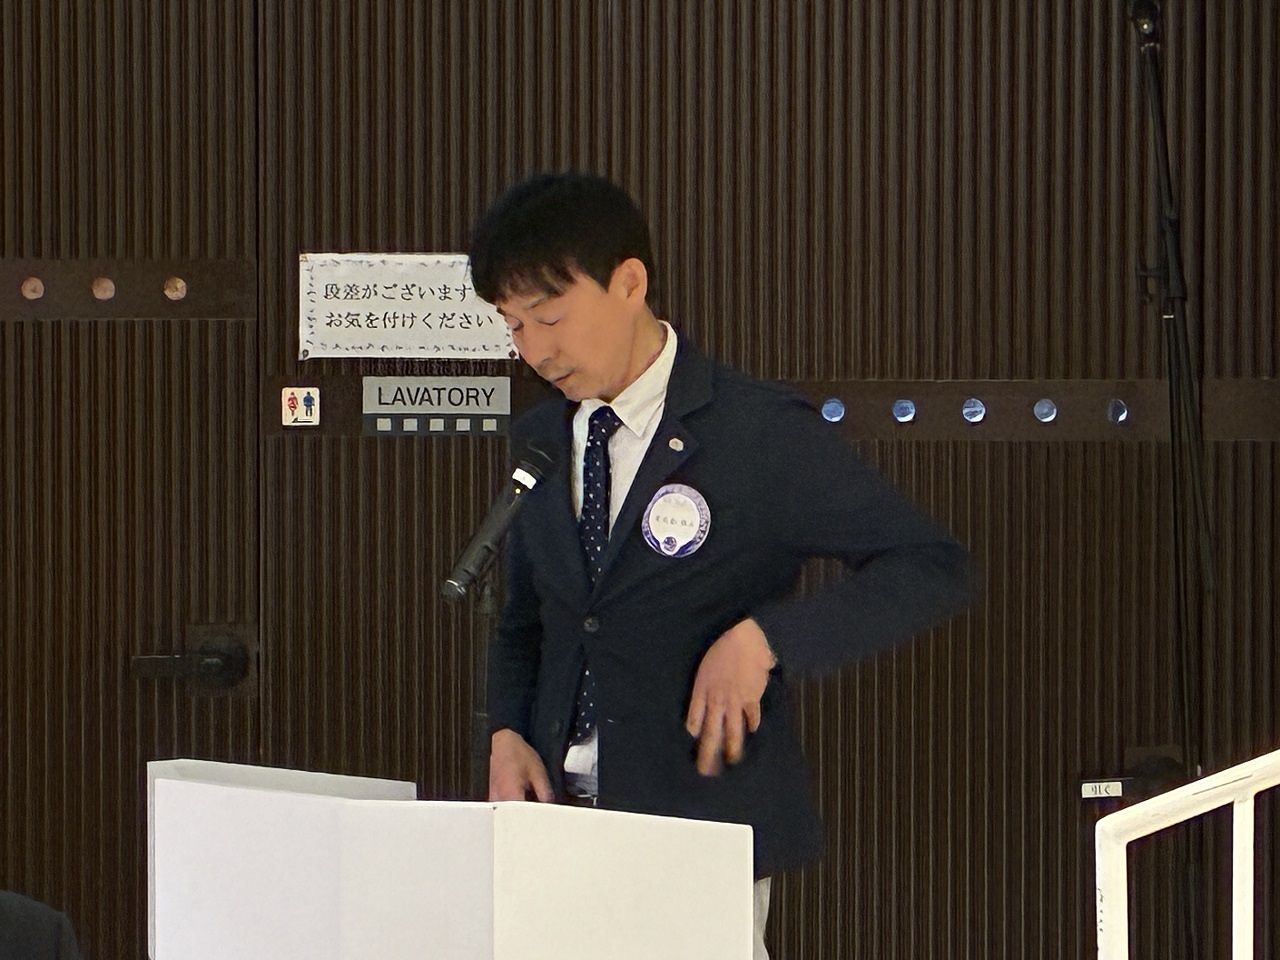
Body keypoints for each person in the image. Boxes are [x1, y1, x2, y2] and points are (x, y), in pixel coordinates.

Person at [469, 172, 974, 958]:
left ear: (628, 283)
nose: (535, 350)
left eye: (550, 317)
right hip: (555, 829)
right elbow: (527, 621)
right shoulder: (543, 437)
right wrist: (507, 730)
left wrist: (768, 640)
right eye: (513, 325)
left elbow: (932, 566)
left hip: (696, 830)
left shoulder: (757, 432)